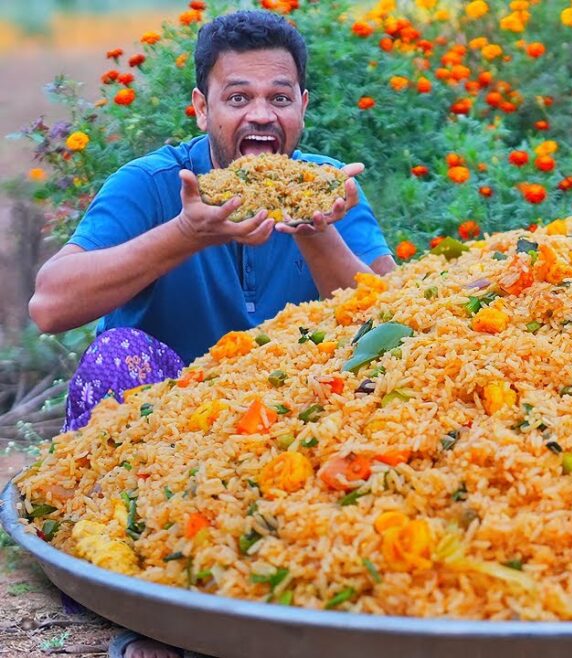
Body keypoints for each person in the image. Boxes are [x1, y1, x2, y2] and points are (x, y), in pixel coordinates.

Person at [27, 10, 394, 658]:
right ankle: (138, 601)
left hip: (287, 429)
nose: (261, 114)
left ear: (303, 107)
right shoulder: (154, 184)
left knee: (388, 391)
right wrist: (184, 234)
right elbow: (50, 304)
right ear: (202, 108)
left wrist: (316, 229)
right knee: (116, 355)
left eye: (279, 97)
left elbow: (400, 322)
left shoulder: (328, 189)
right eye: (238, 97)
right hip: (163, 436)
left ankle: (319, 596)